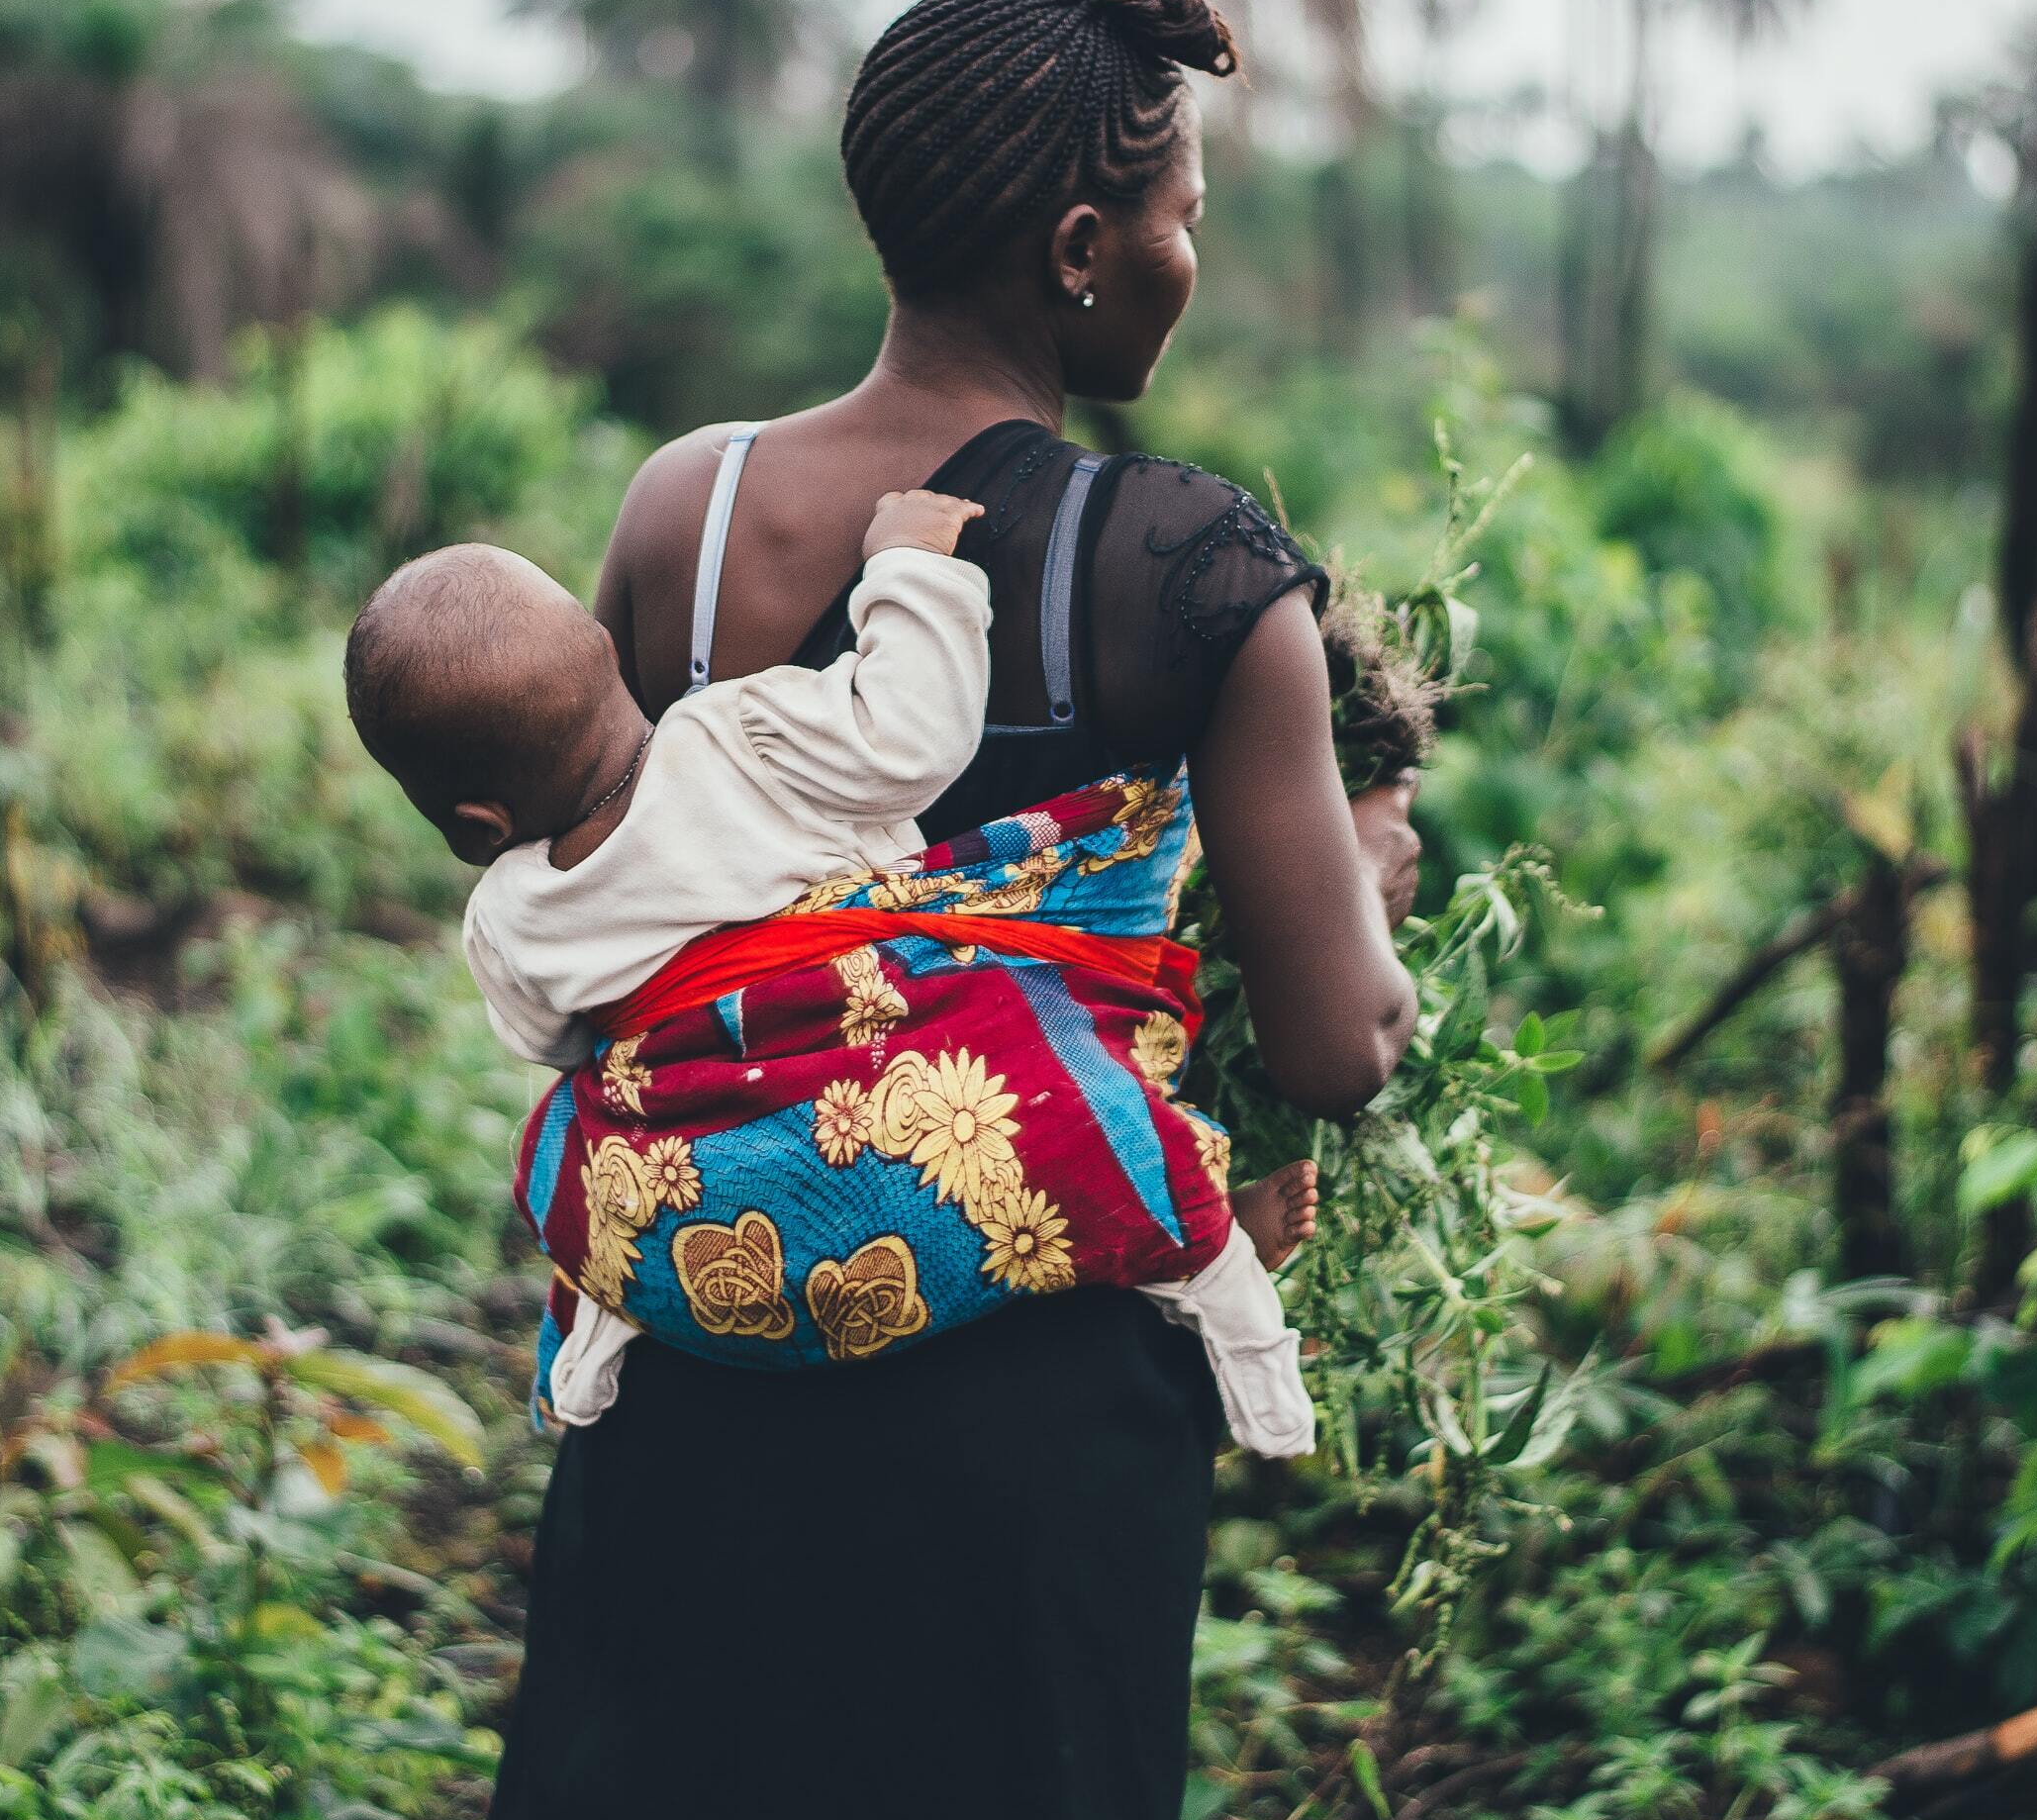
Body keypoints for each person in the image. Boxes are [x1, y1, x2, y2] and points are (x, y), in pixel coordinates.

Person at [463, 0, 1420, 1820]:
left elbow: (647, 890)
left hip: (702, 1355)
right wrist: (1370, 871)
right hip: (1025, 1425)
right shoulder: (1189, 567)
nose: (1185, 255)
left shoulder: (684, 515)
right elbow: (1332, 1050)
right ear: (1082, 246)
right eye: (1178, 217)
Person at [339, 487, 1319, 1451]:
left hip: (712, 1199)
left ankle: (599, 1334)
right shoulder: (737, 734)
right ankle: (1224, 1290)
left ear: (475, 824)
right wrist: (910, 566)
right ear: (606, 656)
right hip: (892, 1099)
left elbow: (557, 1043)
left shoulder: (507, 916)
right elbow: (912, 739)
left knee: (573, 1145)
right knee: (1074, 1111)